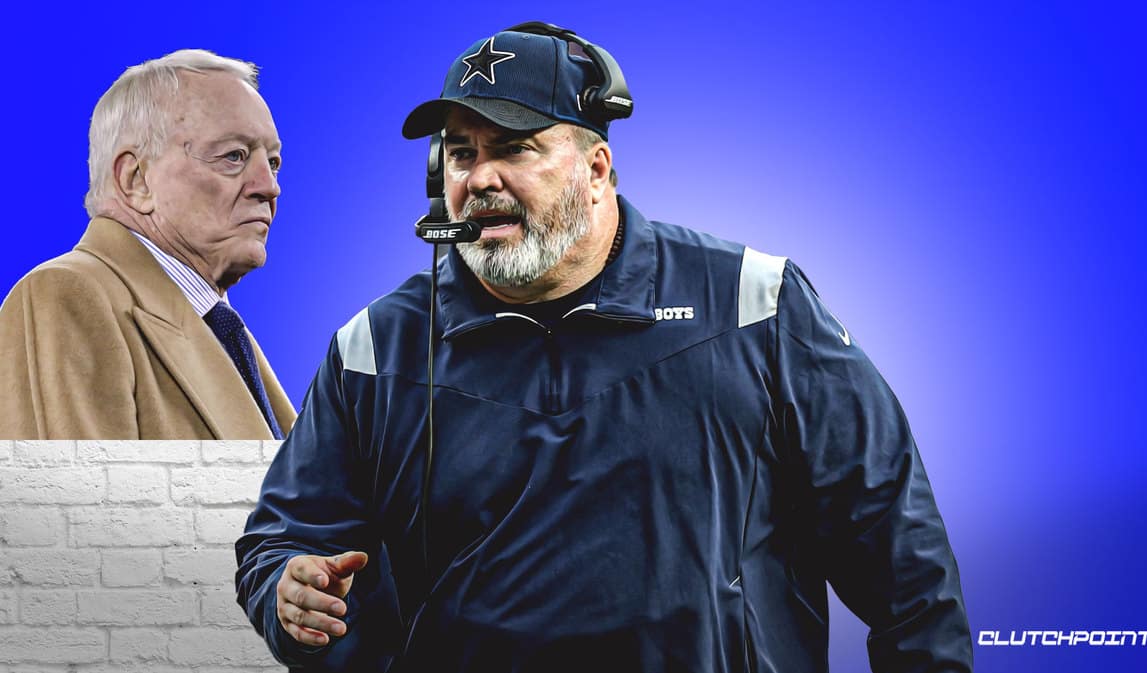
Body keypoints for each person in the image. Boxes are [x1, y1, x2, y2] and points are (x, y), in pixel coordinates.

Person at [237, 25, 972, 672]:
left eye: (515, 148)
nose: (480, 177)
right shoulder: (375, 349)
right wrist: (286, 594)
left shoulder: (756, 305)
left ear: (595, 171)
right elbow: (281, 539)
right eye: (460, 154)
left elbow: (902, 556)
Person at [0, 49, 296, 440]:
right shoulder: (67, 295)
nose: (269, 187)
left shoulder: (220, 327)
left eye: (272, 162)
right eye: (233, 156)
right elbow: (80, 481)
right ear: (136, 180)